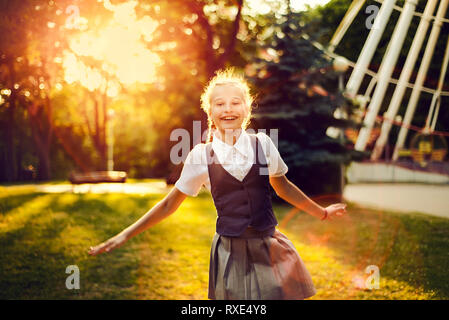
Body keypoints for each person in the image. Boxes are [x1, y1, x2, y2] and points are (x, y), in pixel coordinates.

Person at [88, 68, 348, 300]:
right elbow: (169, 205)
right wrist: (124, 235)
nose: (228, 109)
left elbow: (283, 186)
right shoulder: (201, 156)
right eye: (220, 104)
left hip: (269, 245)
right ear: (210, 111)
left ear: (247, 108)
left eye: (236, 103)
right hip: (230, 252)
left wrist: (322, 212)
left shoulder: (263, 144)